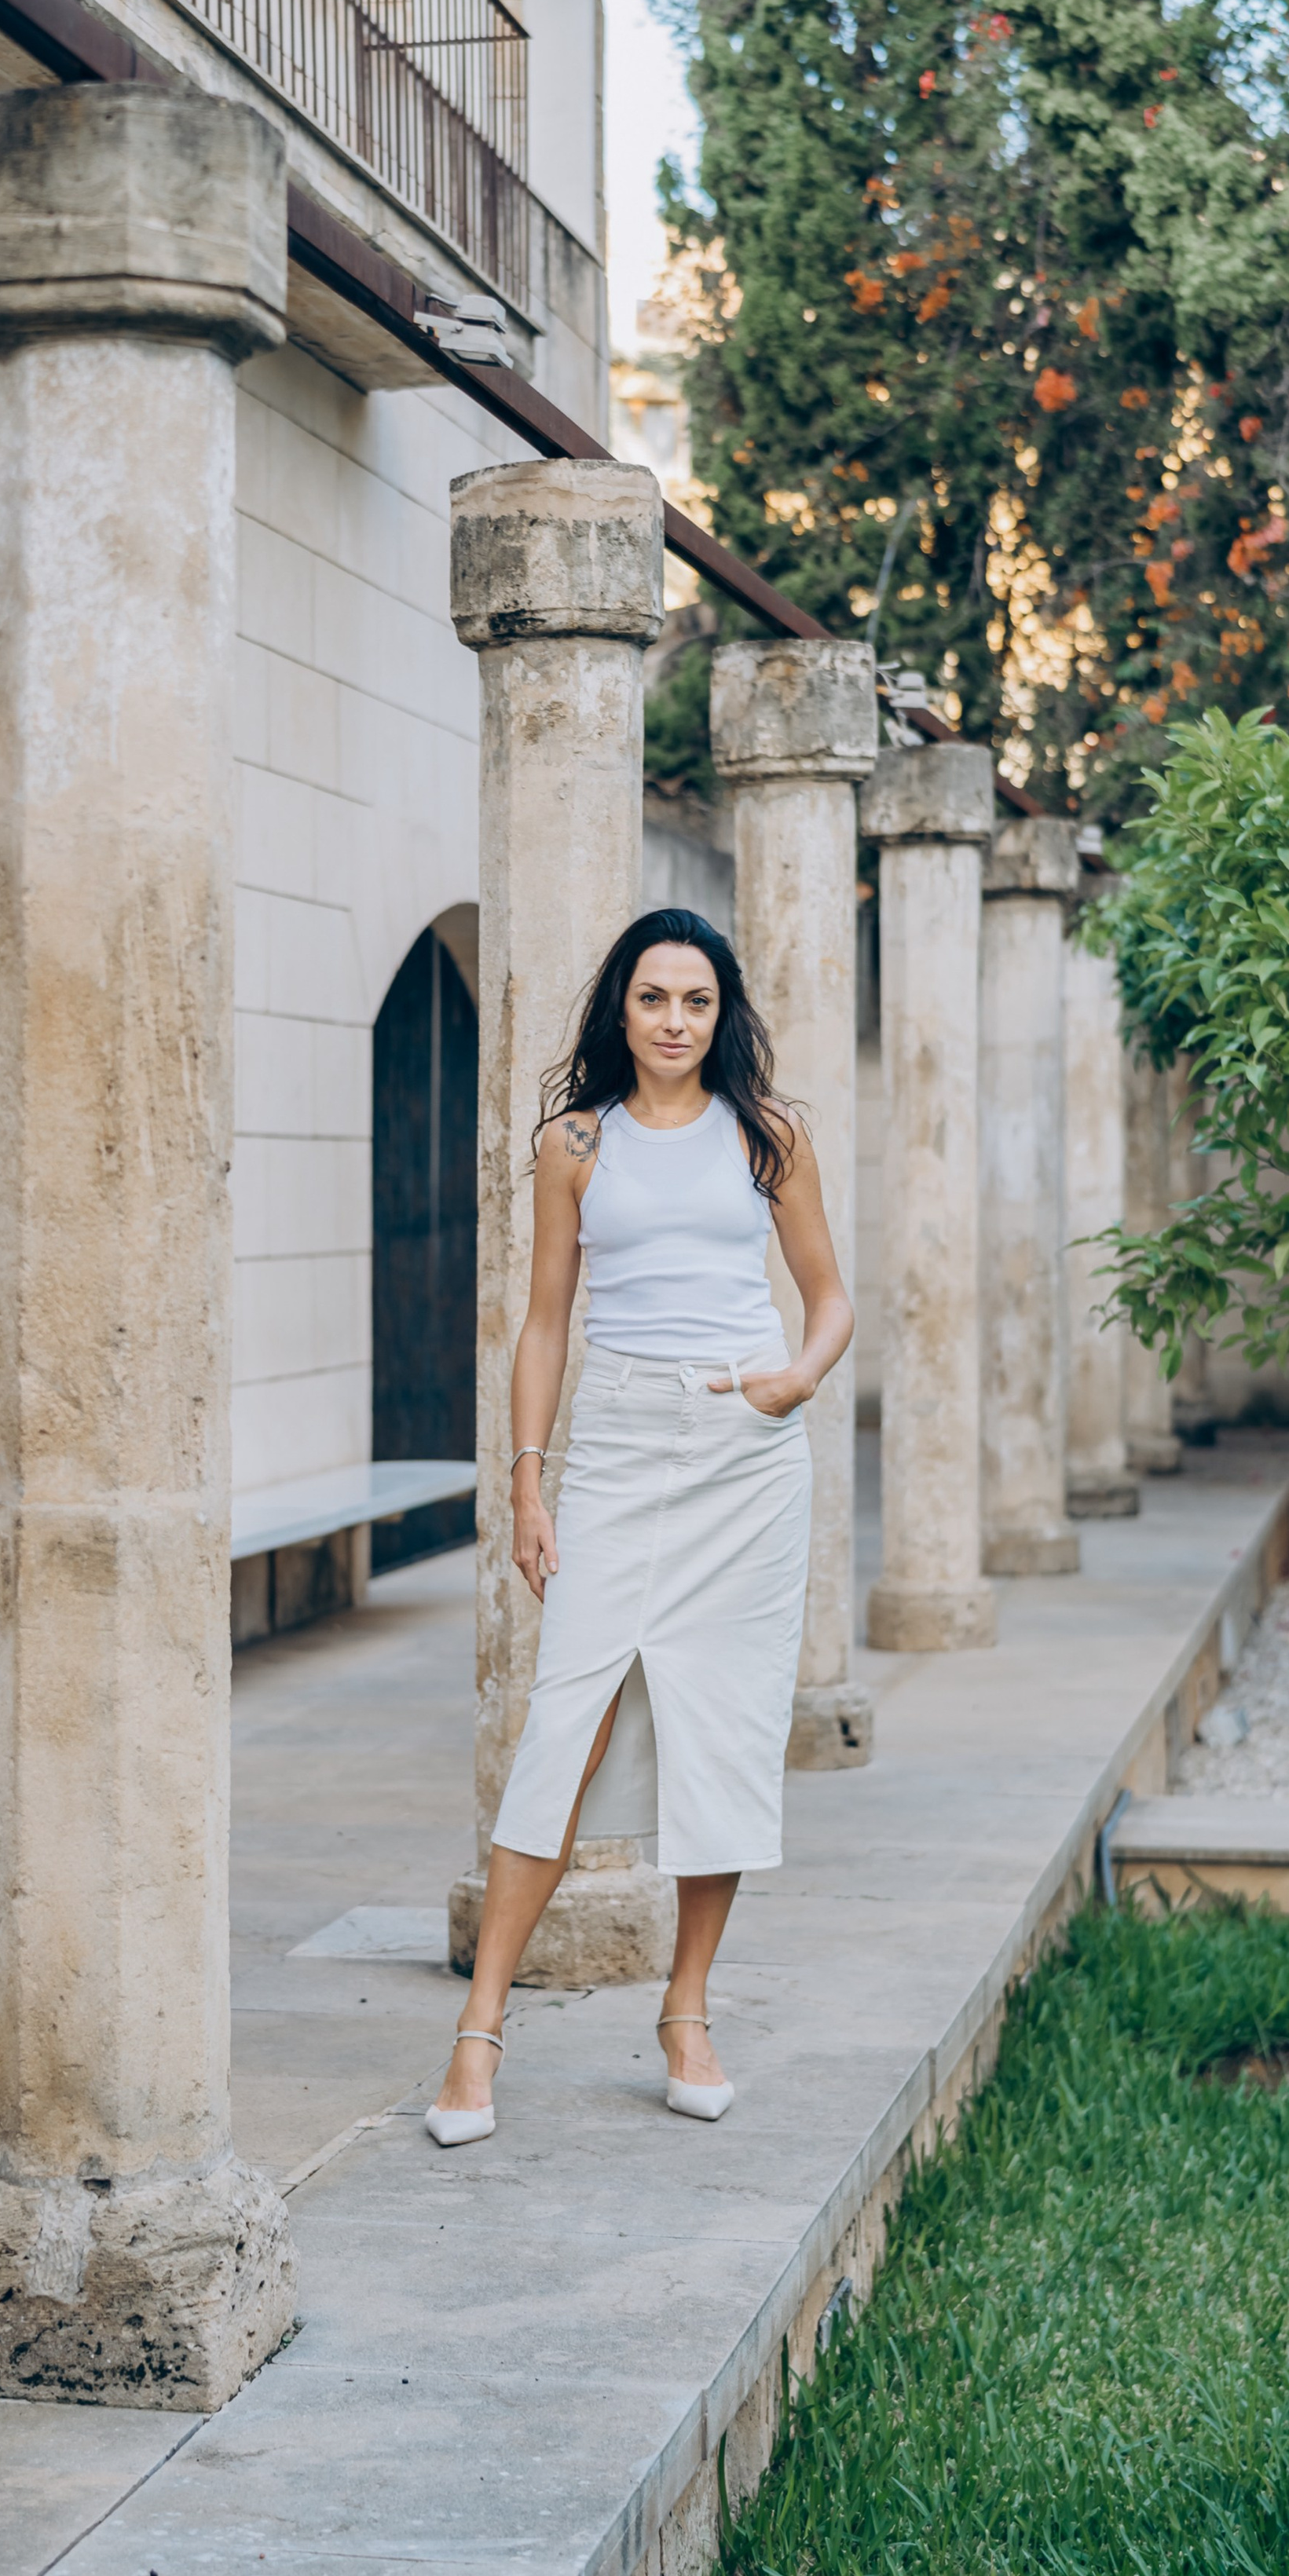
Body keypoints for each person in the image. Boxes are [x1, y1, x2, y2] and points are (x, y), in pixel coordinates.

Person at [427, 907, 854, 2147]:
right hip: (614, 1443)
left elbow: (829, 1300)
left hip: (743, 1450)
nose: (675, 1021)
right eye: (655, 998)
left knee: (722, 1727)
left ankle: (687, 2008)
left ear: (724, 1014)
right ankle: (479, 2028)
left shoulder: (769, 1135)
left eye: (697, 1001)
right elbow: (544, 1322)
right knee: (564, 1723)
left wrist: (793, 1381)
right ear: (622, 1006)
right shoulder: (574, 1143)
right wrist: (527, 1481)